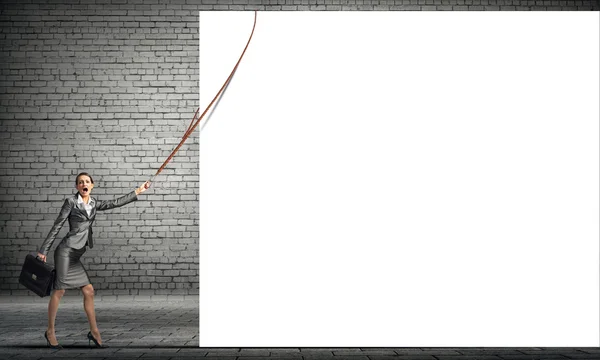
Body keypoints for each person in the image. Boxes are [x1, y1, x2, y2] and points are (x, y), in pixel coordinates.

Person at [36, 172, 151, 349]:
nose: (84, 184)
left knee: (88, 291)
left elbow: (114, 203)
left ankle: (94, 331)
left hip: (76, 254)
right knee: (59, 291)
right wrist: (44, 250)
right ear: (77, 187)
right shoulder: (71, 202)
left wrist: (138, 190)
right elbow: (57, 225)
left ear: (92, 185)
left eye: (87, 182)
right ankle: (50, 331)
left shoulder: (95, 203)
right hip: (65, 251)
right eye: (81, 182)